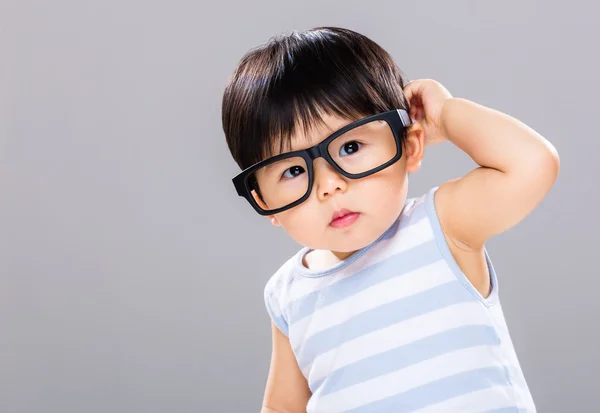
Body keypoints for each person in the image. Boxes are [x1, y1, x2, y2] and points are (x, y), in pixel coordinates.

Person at [221, 26, 559, 413]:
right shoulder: (288, 294)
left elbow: (532, 164)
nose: (329, 185)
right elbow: (283, 408)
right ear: (263, 199)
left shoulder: (442, 227)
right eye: (293, 171)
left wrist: (446, 116)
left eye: (350, 147)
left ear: (410, 147)